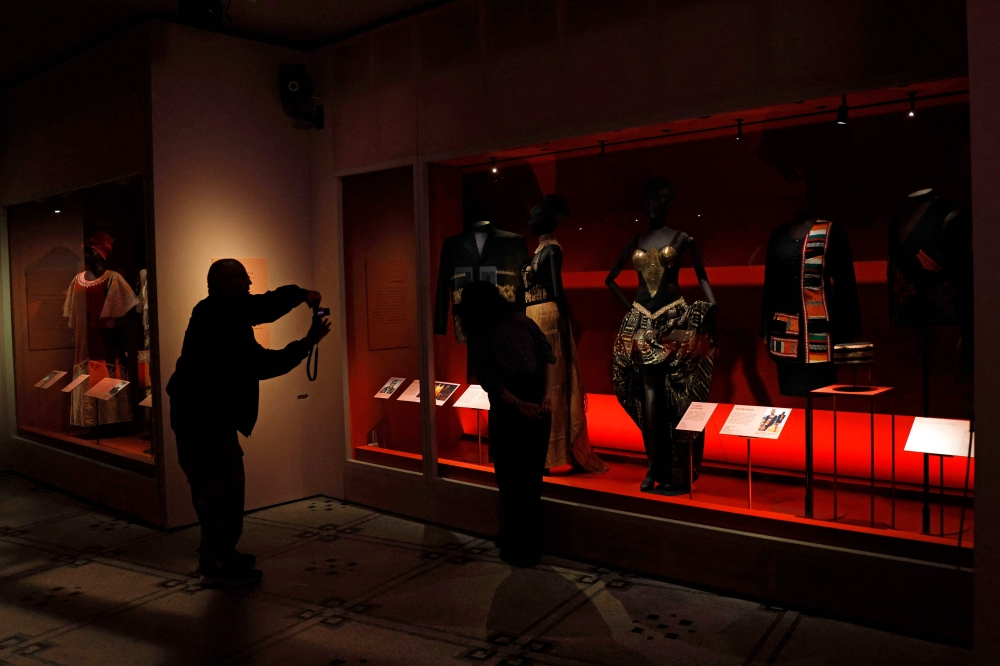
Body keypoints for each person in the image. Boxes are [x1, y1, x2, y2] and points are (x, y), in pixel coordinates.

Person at [166, 259, 330, 587]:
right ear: (226, 282)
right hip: (204, 420)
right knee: (222, 490)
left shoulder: (214, 313)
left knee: (215, 490)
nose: (250, 283)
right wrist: (303, 307)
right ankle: (219, 563)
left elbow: (260, 318)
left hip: (201, 416)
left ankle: (218, 552)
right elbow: (263, 352)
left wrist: (304, 325)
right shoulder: (221, 313)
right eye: (243, 277)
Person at [458, 280, 556, 567]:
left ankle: (518, 545)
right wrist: (547, 396)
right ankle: (529, 544)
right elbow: (548, 357)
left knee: (511, 480)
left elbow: (490, 382)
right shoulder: (523, 322)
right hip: (538, 402)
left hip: (510, 408)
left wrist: (517, 404)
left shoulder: (479, 332)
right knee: (531, 479)